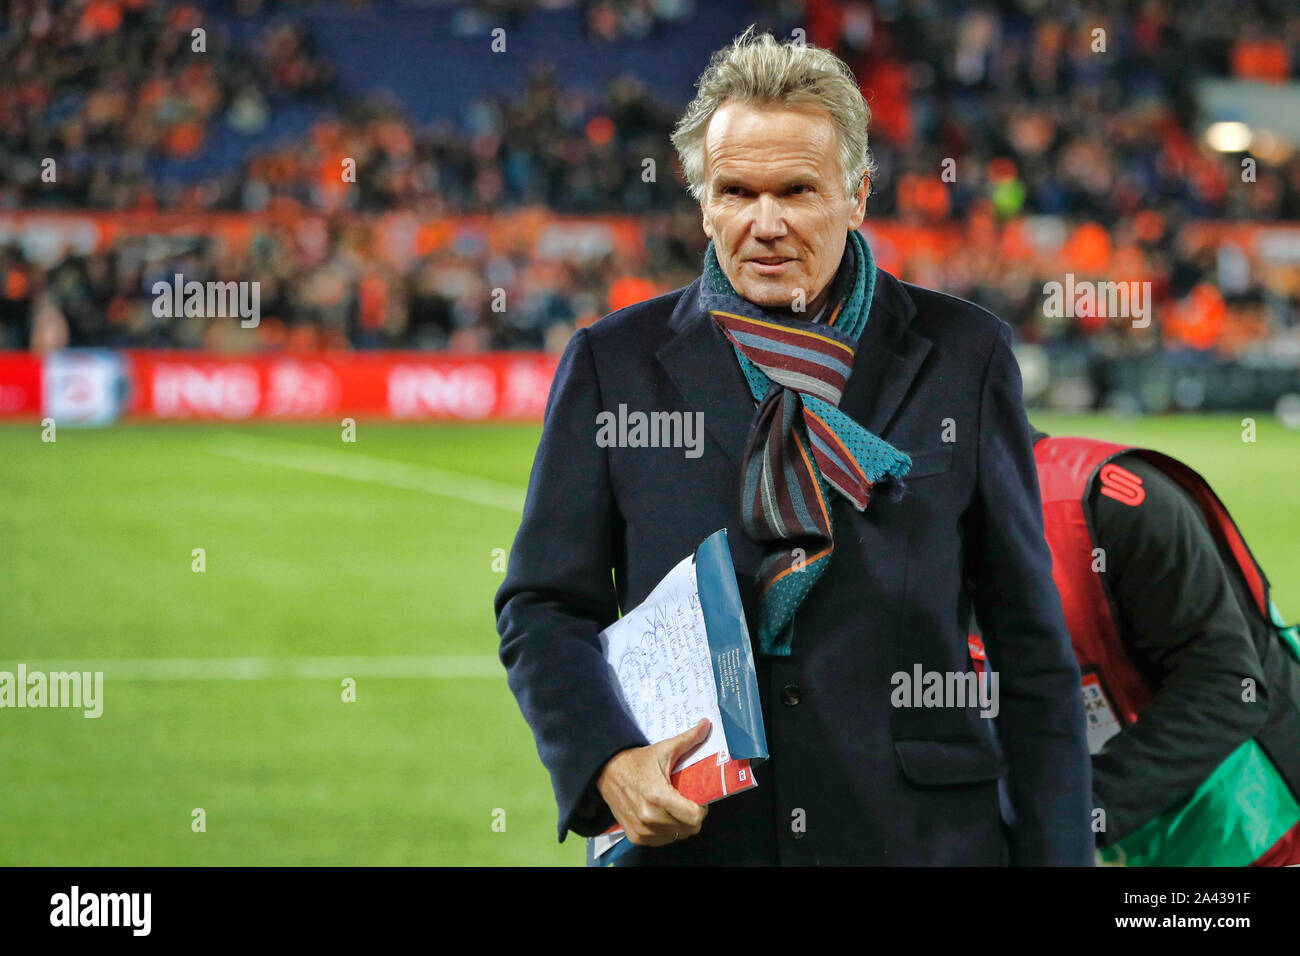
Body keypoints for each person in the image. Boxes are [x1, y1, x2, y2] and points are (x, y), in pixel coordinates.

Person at [494, 27, 1092, 865]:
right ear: (703, 203)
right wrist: (606, 759)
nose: (764, 224)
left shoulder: (966, 354)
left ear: (857, 194)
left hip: (919, 840)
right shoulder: (613, 364)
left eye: (797, 191)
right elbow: (544, 606)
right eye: (736, 191)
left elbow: (1031, 651)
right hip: (700, 843)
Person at [990, 430, 1300, 865]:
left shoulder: (1107, 497)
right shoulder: (910, 532)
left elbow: (1228, 686)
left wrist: (1068, 813)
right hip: (1150, 837)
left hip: (1270, 824)